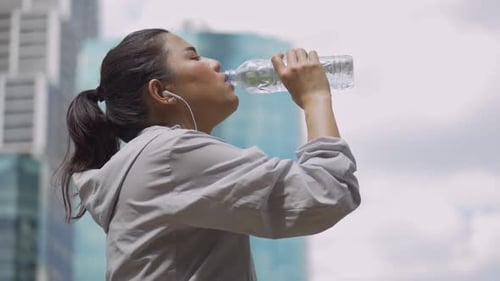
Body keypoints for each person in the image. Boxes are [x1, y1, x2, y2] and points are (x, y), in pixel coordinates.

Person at [58, 28, 360, 281]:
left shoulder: (152, 160)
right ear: (161, 92)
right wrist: (315, 97)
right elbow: (327, 193)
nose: (214, 63)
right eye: (194, 57)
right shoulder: (170, 155)